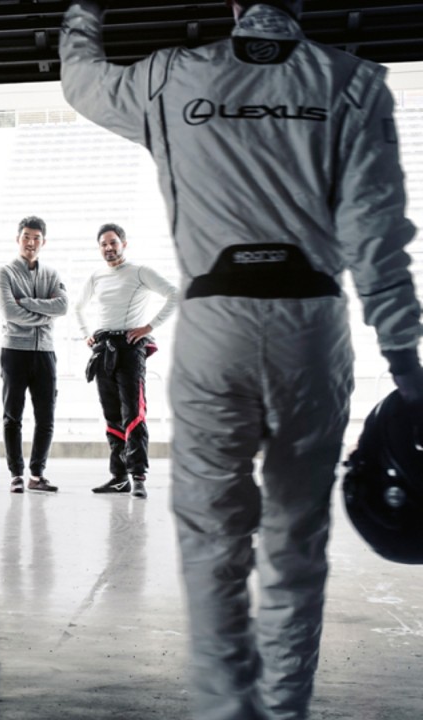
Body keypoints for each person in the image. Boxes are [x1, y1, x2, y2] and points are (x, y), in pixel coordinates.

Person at [59, 1, 423, 718]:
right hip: (311, 327)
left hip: (215, 320)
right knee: (295, 543)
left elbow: (82, 82)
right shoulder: (352, 83)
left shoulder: (174, 75)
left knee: (213, 540)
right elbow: (379, 239)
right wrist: (407, 366)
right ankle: (284, 712)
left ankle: (229, 712)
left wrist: (83, 13)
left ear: (231, 5)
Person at [75, 223, 178, 499]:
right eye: (103, 244)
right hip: (103, 349)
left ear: (124, 243)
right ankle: (119, 477)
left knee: (133, 412)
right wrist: (87, 335)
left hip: (131, 348)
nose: (108, 248)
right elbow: (78, 307)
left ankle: (139, 476)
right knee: (111, 413)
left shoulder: (140, 272)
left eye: (113, 242)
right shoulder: (96, 277)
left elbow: (174, 294)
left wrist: (149, 327)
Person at [0, 216, 68, 494]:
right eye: (26, 236)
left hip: (45, 353)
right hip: (14, 350)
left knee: (46, 416)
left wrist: (26, 303)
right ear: (18, 239)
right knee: (12, 415)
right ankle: (16, 474)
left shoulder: (52, 274)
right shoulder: (5, 273)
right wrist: (44, 314)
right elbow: (8, 313)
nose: (31, 242)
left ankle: (37, 475)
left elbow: (61, 306)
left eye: (36, 238)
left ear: (43, 242)